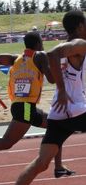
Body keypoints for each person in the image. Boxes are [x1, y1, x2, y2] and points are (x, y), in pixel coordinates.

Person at [0, 31, 74, 178]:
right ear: (37, 44)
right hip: (26, 108)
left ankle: (59, 167)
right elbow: (52, 79)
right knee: (7, 142)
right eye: (41, 42)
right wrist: (62, 69)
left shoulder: (16, 58)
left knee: (55, 126)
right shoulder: (40, 55)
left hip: (20, 106)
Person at [16, 10, 86, 185]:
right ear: (79, 26)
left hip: (57, 113)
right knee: (7, 141)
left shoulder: (70, 46)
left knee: (41, 163)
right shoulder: (79, 44)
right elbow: (52, 54)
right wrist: (62, 89)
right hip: (75, 109)